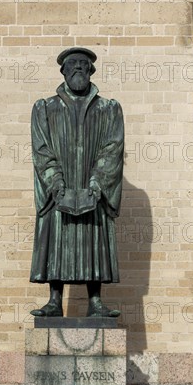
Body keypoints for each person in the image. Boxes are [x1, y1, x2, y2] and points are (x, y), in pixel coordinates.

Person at [29, 47, 124, 317]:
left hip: (92, 188)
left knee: (93, 239)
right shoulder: (45, 108)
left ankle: (95, 302)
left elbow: (113, 147)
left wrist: (97, 184)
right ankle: (54, 300)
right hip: (58, 190)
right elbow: (41, 149)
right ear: (63, 71)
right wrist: (55, 184)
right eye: (73, 65)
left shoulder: (109, 109)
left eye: (84, 64)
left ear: (92, 70)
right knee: (57, 238)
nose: (79, 69)